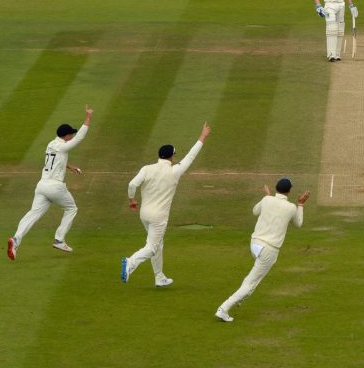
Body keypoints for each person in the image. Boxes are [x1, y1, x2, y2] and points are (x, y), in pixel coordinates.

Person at [121, 122, 211, 287]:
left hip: (144, 215)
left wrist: (131, 200)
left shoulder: (147, 168)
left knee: (158, 244)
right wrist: (202, 137)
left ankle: (159, 277)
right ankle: (130, 262)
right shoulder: (174, 171)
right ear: (171, 157)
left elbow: (132, 185)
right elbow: (191, 156)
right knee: (153, 247)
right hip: (159, 217)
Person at [216, 178, 310, 322]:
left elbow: (255, 211)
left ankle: (244, 295)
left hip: (254, 244)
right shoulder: (291, 207)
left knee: (255, 277)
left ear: (276, 188)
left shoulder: (267, 200)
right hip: (269, 250)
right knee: (250, 282)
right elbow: (298, 224)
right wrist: (301, 204)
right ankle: (224, 308)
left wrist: (266, 197)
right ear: (289, 191)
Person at [7, 105, 94, 260]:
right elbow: (80, 138)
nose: (72, 136)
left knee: (32, 214)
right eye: (71, 134)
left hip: (41, 186)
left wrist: (70, 166)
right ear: (66, 136)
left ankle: (15, 240)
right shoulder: (63, 146)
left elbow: (55, 161)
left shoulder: (51, 144)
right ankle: (59, 239)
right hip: (55, 187)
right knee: (71, 208)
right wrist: (88, 118)